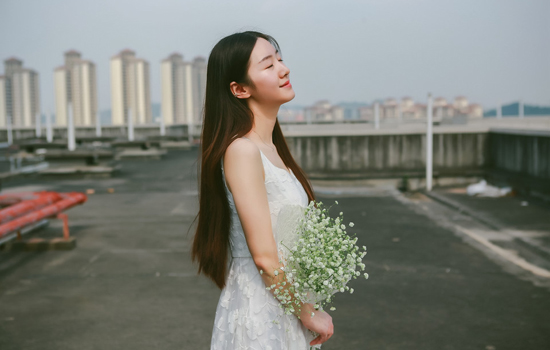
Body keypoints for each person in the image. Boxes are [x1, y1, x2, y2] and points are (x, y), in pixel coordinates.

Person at [192, 31, 334, 349]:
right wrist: (308, 313)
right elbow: (265, 258)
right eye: (268, 65)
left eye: (280, 60)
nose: (283, 69)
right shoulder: (242, 150)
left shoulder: (270, 148)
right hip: (261, 309)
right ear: (239, 89)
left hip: (282, 302)